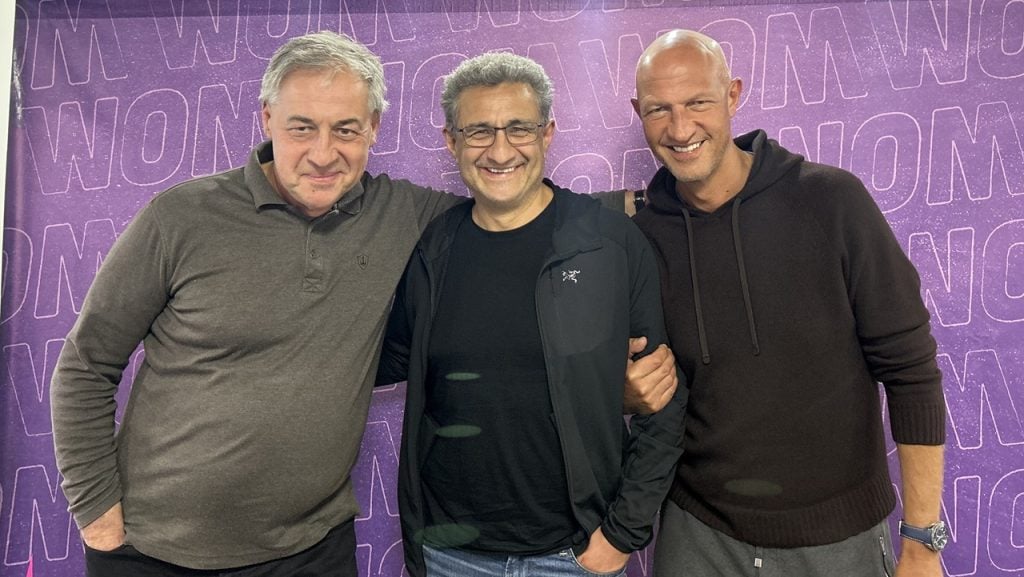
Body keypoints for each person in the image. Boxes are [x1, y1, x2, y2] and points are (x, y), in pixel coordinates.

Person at [50, 31, 676, 576]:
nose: (324, 153)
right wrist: (97, 514)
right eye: (302, 127)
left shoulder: (407, 217)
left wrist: (657, 208)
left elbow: (518, 204)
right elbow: (85, 366)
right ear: (267, 119)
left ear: (373, 128)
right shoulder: (181, 217)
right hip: (156, 550)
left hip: (313, 550)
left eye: (346, 129)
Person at [630, 29, 947, 577]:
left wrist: (922, 541)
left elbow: (911, 371)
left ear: (733, 95)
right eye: (660, 109)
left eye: (698, 102)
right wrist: (624, 395)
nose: (680, 129)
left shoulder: (832, 201)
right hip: (697, 538)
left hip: (839, 541)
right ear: (639, 112)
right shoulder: (640, 236)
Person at [374, 52, 688, 577]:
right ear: (451, 141)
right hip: (449, 554)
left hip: (574, 555)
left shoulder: (608, 243)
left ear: (547, 134)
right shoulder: (433, 249)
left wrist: (620, 536)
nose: (500, 150)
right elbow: (388, 360)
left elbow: (664, 401)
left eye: (519, 128)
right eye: (479, 131)